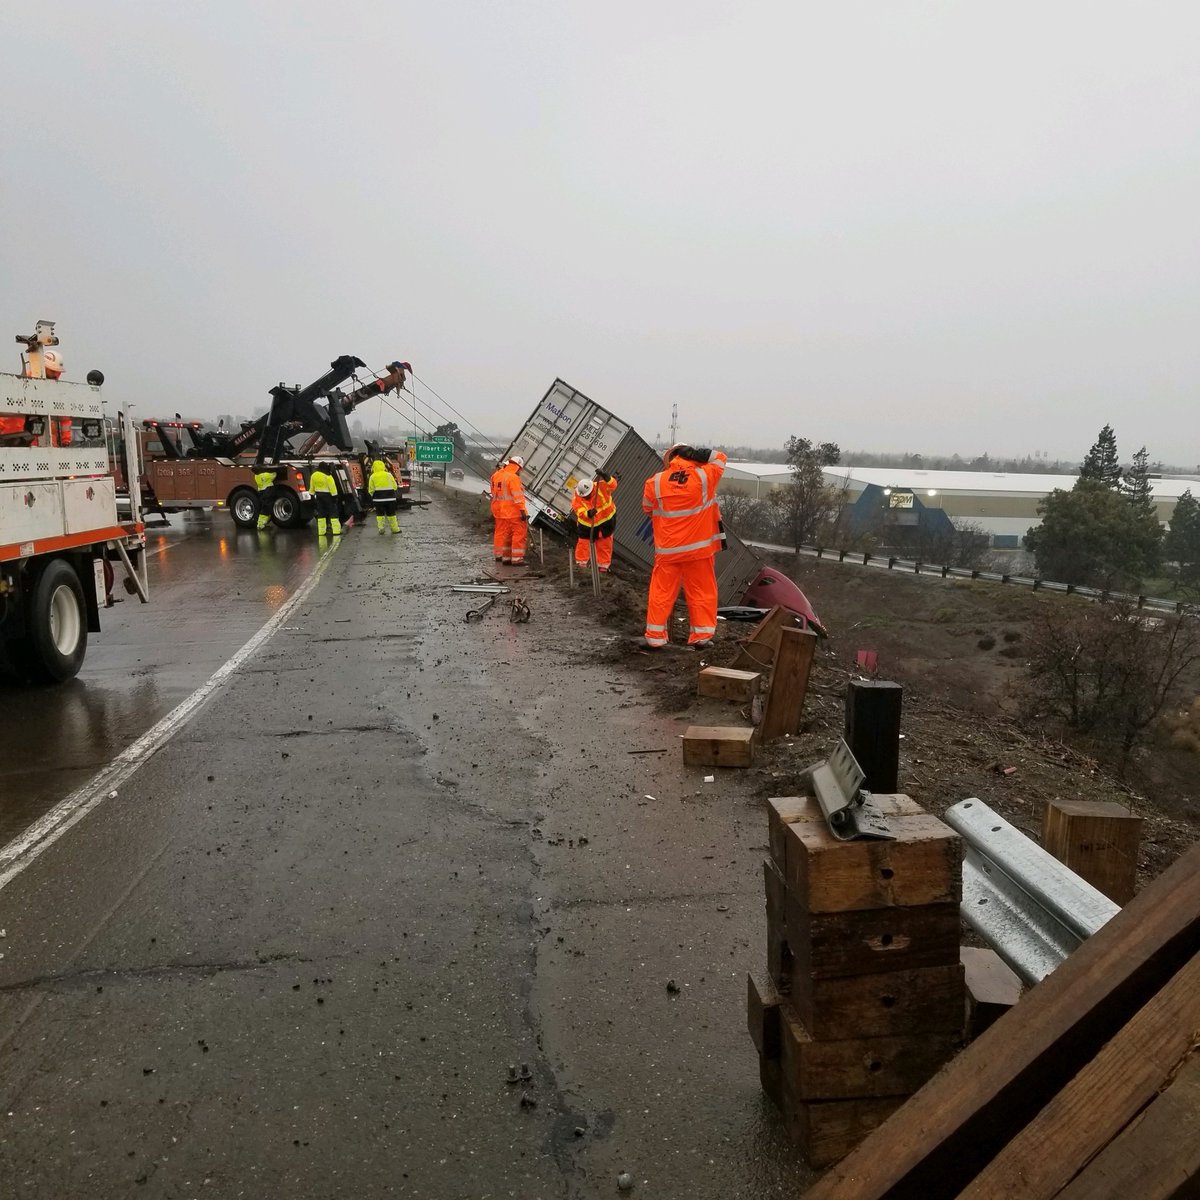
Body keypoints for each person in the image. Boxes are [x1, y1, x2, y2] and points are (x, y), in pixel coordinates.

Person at [641, 444, 728, 649]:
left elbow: (647, 509)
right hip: (698, 551)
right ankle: (701, 637)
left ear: (670, 459)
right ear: (692, 457)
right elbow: (721, 458)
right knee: (701, 592)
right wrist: (703, 454)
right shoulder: (705, 477)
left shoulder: (655, 482)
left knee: (661, 593)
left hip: (668, 551)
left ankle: (655, 636)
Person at [571, 470, 618, 573]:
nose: (586, 497)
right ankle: (581, 565)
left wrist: (606, 476)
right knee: (583, 545)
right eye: (584, 496)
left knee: (605, 545)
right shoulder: (577, 498)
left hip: (606, 522)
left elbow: (613, 485)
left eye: (588, 495)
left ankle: (602, 567)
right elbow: (579, 512)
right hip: (586, 526)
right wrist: (588, 514)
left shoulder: (600, 487)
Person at [495, 455, 528, 566]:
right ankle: (517, 559)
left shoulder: (500, 475)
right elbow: (517, 496)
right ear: (518, 467)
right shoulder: (513, 478)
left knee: (507, 536)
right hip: (515, 513)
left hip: (504, 512)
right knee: (519, 535)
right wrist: (523, 511)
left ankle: (506, 558)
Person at [368, 458, 401, 534]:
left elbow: (371, 489)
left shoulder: (372, 476)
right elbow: (395, 486)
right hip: (390, 499)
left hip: (378, 500)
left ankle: (381, 529)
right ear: (383, 466)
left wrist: (373, 496)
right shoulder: (389, 475)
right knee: (391, 514)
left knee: (380, 515)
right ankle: (395, 529)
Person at [309, 463, 343, 536]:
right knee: (333, 513)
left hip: (318, 496)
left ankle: (321, 532)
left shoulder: (314, 475)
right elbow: (332, 487)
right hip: (328, 496)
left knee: (321, 514)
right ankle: (336, 531)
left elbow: (312, 487)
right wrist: (335, 497)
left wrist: (312, 496)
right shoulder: (328, 476)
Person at [488, 459, 509, 561]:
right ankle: (503, 554)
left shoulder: (494, 476)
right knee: (506, 531)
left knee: (499, 531)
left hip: (497, 506)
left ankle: (498, 554)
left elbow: (493, 492)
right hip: (504, 508)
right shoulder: (505, 476)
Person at [255, 466, 279, 531]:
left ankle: (261, 524)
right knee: (266, 509)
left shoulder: (256, 476)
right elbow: (274, 474)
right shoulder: (266, 475)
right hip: (267, 492)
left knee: (264, 507)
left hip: (262, 492)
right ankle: (260, 525)